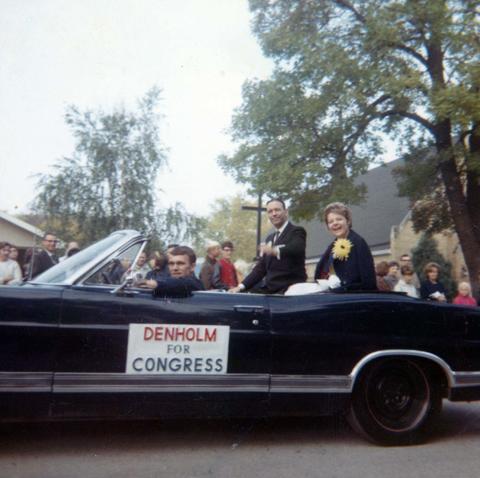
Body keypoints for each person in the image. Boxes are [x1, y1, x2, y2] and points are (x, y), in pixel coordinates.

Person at [229, 198, 306, 294]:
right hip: (270, 291)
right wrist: (240, 287)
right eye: (270, 211)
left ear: (286, 212)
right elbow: (261, 268)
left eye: (277, 210)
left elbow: (297, 248)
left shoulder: (296, 231)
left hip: (290, 292)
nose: (274, 214)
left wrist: (275, 250)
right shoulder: (269, 238)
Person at [314, 202, 376, 291]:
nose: (335, 223)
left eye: (339, 219)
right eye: (330, 221)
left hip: (354, 299)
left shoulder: (358, 242)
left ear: (348, 221)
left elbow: (369, 281)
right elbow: (321, 274)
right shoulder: (331, 247)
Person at [139, 246, 204, 297]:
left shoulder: (194, 284)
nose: (175, 268)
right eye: (171, 264)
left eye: (180, 263)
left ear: (192, 267)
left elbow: (181, 283)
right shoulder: (167, 281)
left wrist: (154, 284)